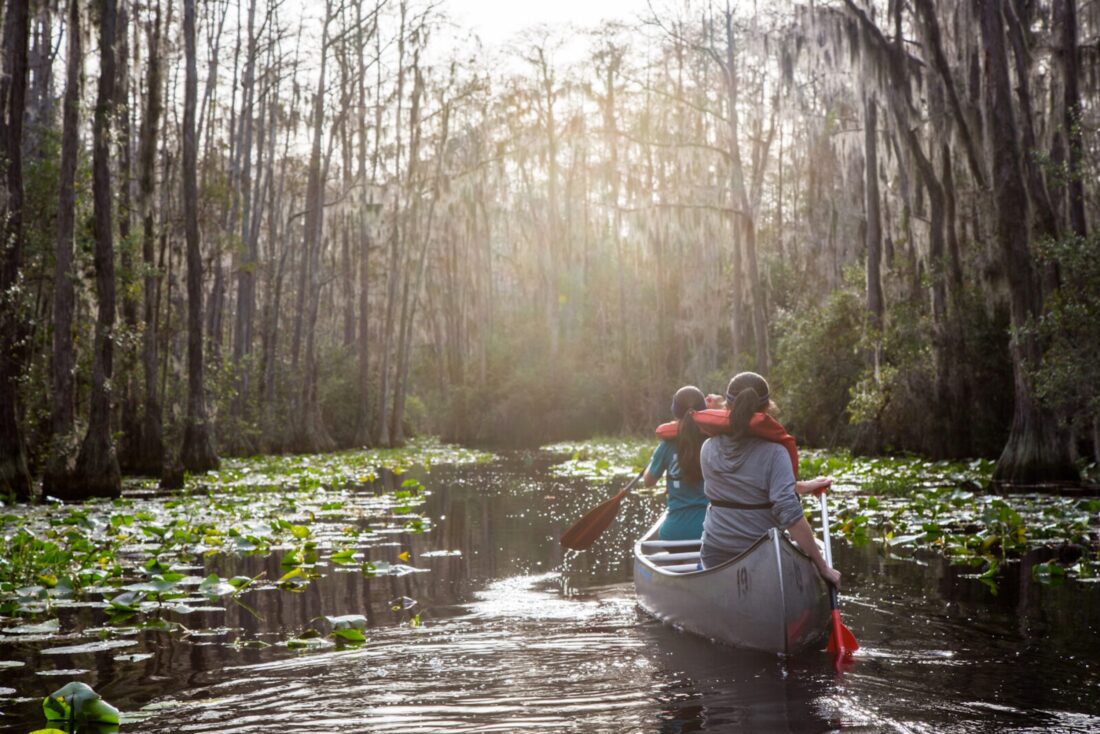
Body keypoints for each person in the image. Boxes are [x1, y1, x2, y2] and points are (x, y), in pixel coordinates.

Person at [699, 372, 841, 589]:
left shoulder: (707, 448)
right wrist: (823, 567)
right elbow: (788, 511)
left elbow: (743, 487)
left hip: (714, 553)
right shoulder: (775, 453)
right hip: (761, 557)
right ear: (767, 408)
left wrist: (801, 486)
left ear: (727, 406)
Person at [643, 386, 710, 541]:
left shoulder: (666, 447)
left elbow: (649, 482)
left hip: (672, 533)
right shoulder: (713, 442)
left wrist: (653, 462)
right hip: (708, 531)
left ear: (675, 411)